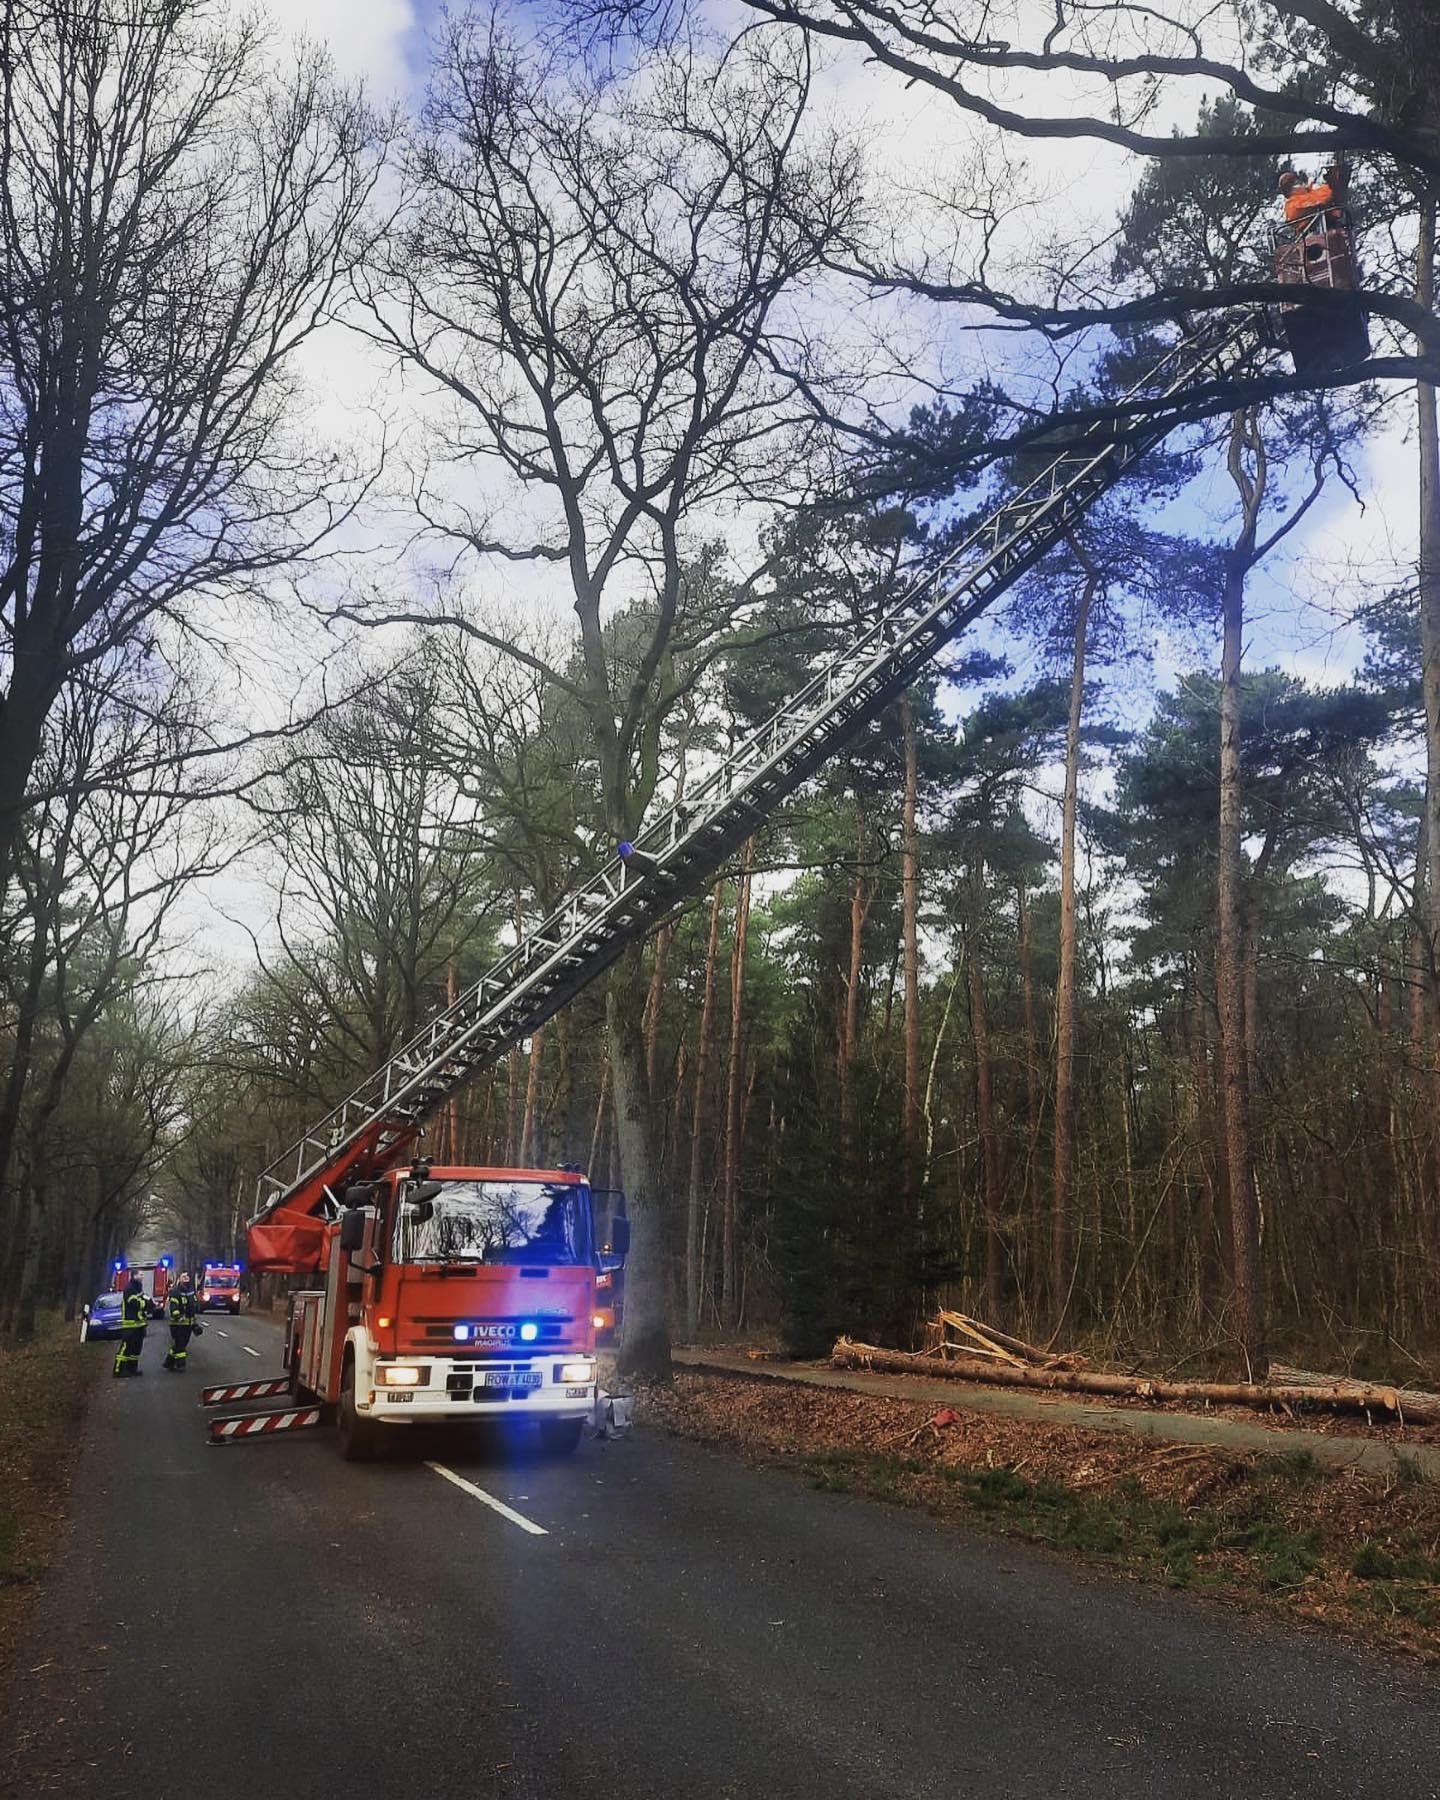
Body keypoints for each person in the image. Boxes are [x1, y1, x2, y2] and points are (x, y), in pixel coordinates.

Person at [1277, 162, 1346, 227]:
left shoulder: (1310, 193)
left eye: (1300, 182)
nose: (1302, 184)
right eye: (1297, 183)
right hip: (1313, 232)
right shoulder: (1292, 204)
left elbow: (1326, 192)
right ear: (1291, 190)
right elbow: (1320, 201)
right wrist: (1331, 186)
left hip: (1333, 222)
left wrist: (1332, 181)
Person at [163, 1271, 201, 1372]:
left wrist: (195, 1325)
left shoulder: (191, 1292)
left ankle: (168, 1362)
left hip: (188, 1324)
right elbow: (173, 1307)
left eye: (187, 1276)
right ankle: (180, 1364)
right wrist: (178, 1316)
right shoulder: (176, 1292)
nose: (186, 1278)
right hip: (177, 1324)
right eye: (183, 1276)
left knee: (180, 1344)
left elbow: (193, 1308)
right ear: (179, 1279)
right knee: (180, 1345)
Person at [113, 1277, 148, 1378]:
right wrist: (146, 1304)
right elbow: (134, 1303)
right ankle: (118, 1370)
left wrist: (149, 1303)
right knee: (126, 1348)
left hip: (139, 1324)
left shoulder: (138, 1288)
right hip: (130, 1325)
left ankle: (132, 1369)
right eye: (140, 1274)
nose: (142, 1276)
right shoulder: (129, 1289)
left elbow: (144, 1299)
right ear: (134, 1276)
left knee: (135, 1349)